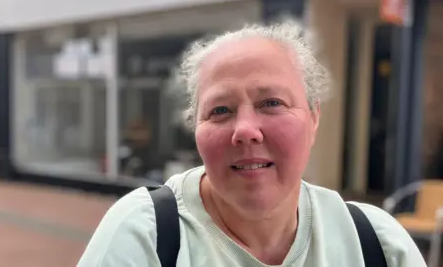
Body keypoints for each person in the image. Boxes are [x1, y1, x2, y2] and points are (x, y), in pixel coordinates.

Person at [78, 19, 426, 267]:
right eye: (220, 110)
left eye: (271, 103)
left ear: (314, 117)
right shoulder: (144, 236)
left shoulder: (377, 246)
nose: (245, 130)